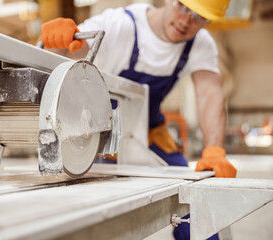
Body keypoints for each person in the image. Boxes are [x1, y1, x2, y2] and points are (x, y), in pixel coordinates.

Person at [40, 1, 237, 238]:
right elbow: (69, 54)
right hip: (92, 138)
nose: (186, 21)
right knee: (85, 218)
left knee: (197, 203)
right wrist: (58, 43)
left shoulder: (200, 43)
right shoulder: (120, 25)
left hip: (149, 135)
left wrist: (214, 150)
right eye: (182, 7)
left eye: (199, 17)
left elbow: (209, 95)